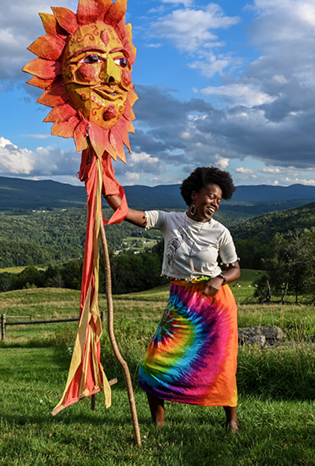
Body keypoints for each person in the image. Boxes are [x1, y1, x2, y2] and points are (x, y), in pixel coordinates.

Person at [104, 166, 241, 432]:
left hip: (216, 306)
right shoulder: (169, 220)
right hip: (180, 302)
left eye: (219, 200)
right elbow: (129, 214)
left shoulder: (221, 232)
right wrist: (105, 185)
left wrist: (220, 279)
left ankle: (231, 422)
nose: (215, 203)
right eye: (211, 196)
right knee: (154, 364)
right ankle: (158, 422)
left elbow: (235, 268)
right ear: (194, 195)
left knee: (222, 363)